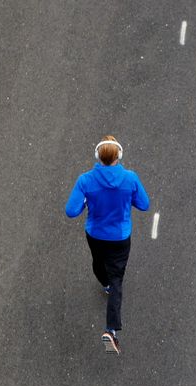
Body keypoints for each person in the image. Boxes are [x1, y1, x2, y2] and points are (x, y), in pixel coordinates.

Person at [65, 136, 150, 355]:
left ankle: (106, 285)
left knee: (98, 263)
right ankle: (111, 330)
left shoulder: (85, 181)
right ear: (119, 156)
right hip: (120, 237)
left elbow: (71, 211)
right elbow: (144, 204)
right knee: (117, 278)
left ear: (97, 156)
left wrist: (86, 202)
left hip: (95, 234)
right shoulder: (130, 179)